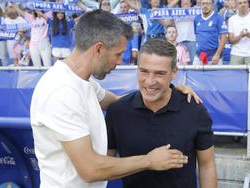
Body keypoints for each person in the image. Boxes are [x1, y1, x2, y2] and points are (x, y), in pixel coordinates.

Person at [31, 10, 209, 187]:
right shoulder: (61, 91)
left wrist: (168, 90)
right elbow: (90, 169)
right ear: (99, 49)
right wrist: (149, 160)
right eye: (117, 54)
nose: (119, 62)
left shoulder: (83, 82)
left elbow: (121, 102)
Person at [106, 39, 217, 188]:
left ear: (174, 73)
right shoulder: (117, 112)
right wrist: (148, 161)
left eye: (159, 74)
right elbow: (104, 165)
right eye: (144, 71)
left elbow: (207, 166)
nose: (150, 81)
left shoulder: (195, 111)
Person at [194, 0, 227, 65]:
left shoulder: (219, 18)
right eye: (203, 3)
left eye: (208, 3)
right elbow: (197, 36)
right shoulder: (196, 19)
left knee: (216, 75)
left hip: (214, 57)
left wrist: (217, 55)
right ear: (200, 5)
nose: (205, 6)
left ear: (212, 5)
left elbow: (224, 38)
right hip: (199, 57)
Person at [228, 0, 250, 64]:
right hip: (236, 54)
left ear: (248, 4)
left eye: (245, 2)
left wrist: (248, 34)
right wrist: (240, 36)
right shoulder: (231, 19)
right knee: (233, 74)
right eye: (240, 3)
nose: (243, 5)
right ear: (236, 6)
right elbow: (231, 40)